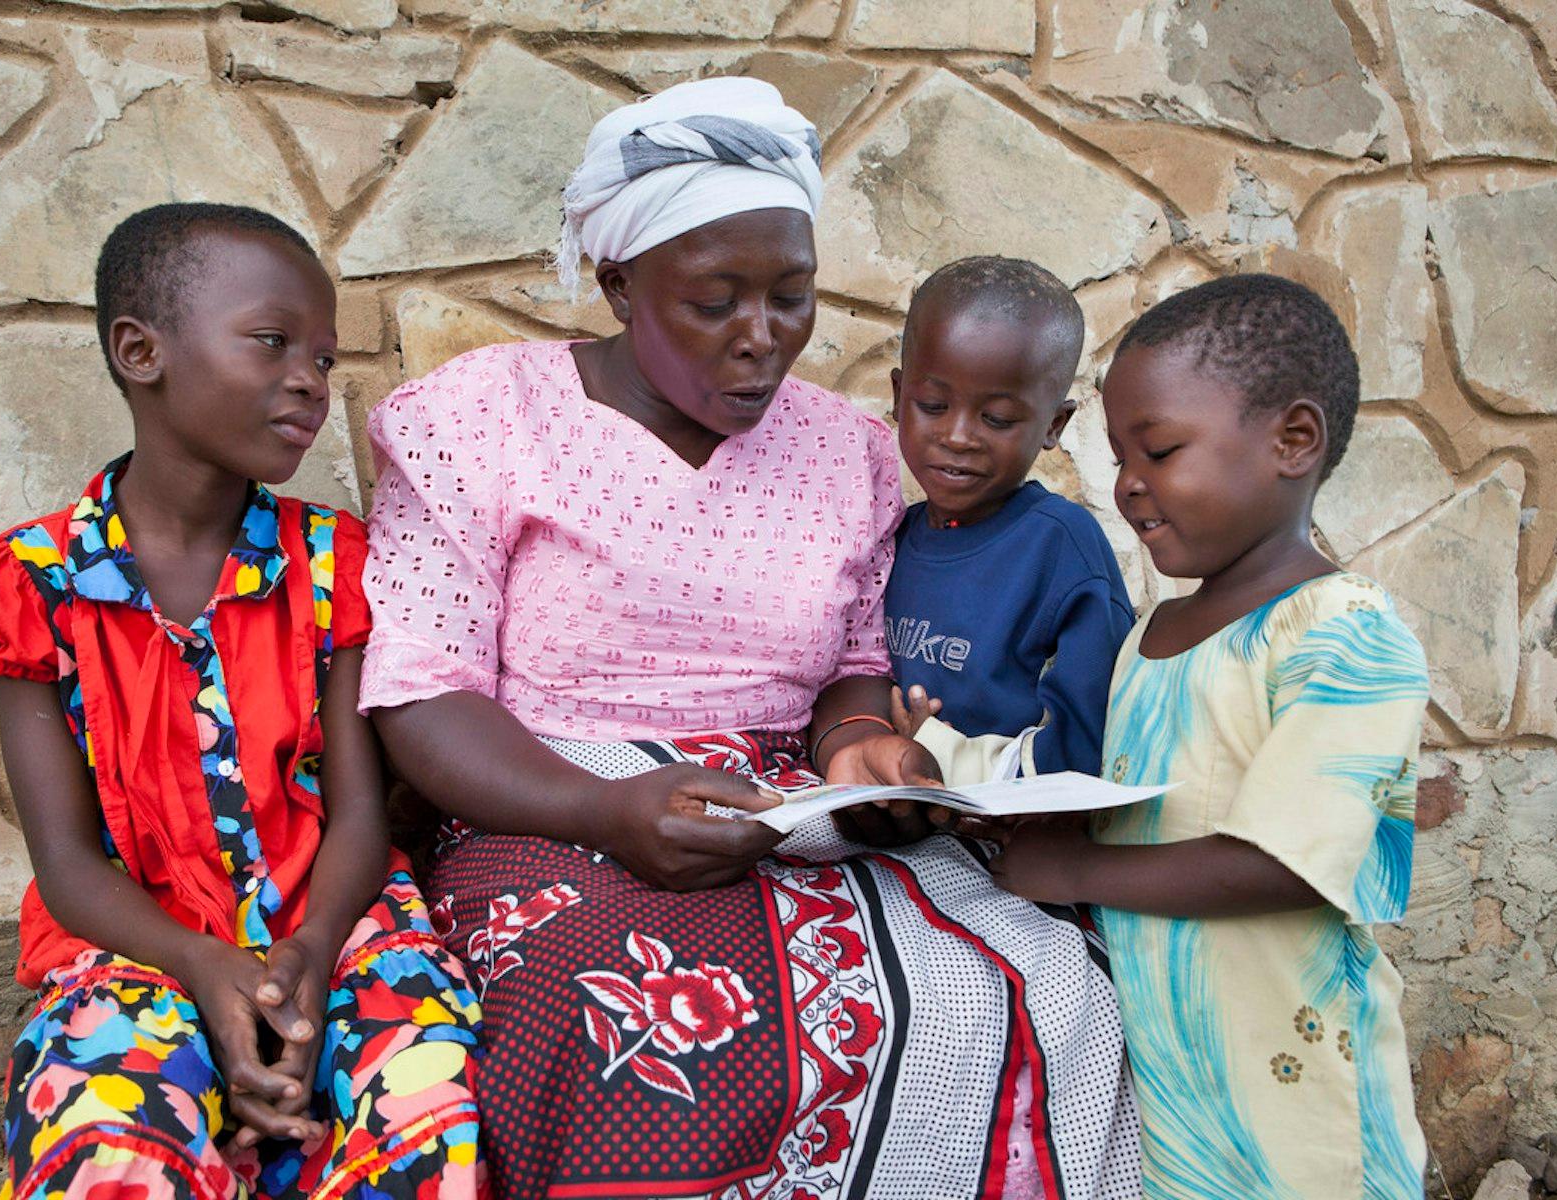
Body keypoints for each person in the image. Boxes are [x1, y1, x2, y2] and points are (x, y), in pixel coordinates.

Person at [360, 78, 1140, 1200]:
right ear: (621, 282)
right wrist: (605, 810)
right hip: (545, 804)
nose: (762, 339)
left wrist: (860, 746)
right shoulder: (479, 420)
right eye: (716, 300)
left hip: (790, 812)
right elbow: (422, 701)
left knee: (1039, 980)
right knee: (634, 1025)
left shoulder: (848, 449)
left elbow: (854, 668)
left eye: (792, 296)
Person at [0, 203, 485, 1200]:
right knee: (103, 1128)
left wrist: (308, 953)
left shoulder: (332, 565)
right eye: (274, 343)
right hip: (137, 945)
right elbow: (64, 863)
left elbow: (359, 813)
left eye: (322, 357)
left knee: (421, 1103)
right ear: (142, 352)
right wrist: (203, 967)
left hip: (339, 928)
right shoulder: (31, 585)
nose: (311, 381)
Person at [989, 274, 1430, 1198]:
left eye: (1159, 450)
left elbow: (1284, 862)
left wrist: (1074, 872)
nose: (1129, 485)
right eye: (1119, 456)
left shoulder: (1343, 630)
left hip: (1302, 1102)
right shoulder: (1150, 637)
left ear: (1292, 441)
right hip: (1175, 1090)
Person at [882, 256, 1133, 783]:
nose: (958, 436)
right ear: (898, 396)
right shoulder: (891, 537)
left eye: (996, 418)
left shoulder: (1061, 549)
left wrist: (939, 752)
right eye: (931, 405)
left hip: (1007, 833)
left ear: (1053, 424)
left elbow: (1087, 745)